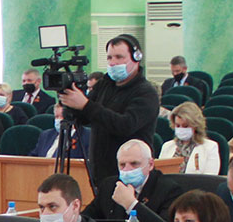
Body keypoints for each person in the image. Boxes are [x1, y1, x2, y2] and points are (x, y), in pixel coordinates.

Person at [62, 34, 162, 209]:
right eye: (109, 58)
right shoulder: (104, 85)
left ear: (136, 57)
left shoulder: (145, 92)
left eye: (119, 57)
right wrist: (70, 100)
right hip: (101, 171)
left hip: (130, 171)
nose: (113, 63)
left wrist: (86, 105)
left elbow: (125, 125)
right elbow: (84, 117)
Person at [84, 139, 182, 222]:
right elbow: (86, 218)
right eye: (122, 165)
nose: (127, 169)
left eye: (134, 164)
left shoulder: (169, 190)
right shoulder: (109, 185)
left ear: (150, 164)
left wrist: (131, 204)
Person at [159, 104, 222, 174]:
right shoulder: (167, 146)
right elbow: (160, 174)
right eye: (178, 125)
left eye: (185, 126)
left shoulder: (210, 147)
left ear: (195, 126)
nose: (181, 129)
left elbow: (210, 177)